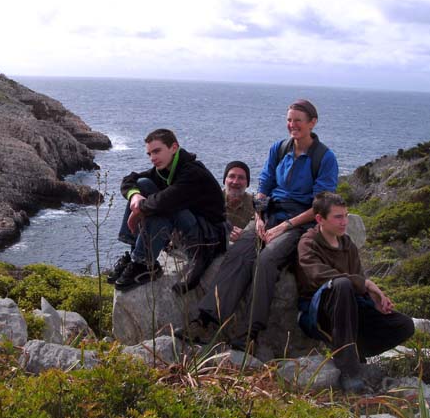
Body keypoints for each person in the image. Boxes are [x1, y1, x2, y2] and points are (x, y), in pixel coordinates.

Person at [175, 99, 338, 351]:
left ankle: (249, 333)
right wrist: (260, 218)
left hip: (297, 224)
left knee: (267, 259)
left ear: (312, 123)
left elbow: (320, 206)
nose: (292, 125)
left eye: (298, 120)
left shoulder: (324, 158)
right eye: (289, 120)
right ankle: (205, 321)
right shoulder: (279, 148)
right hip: (269, 216)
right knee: (239, 252)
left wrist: (283, 227)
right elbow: (264, 186)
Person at [296, 192, 414, 393]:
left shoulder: (347, 244)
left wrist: (375, 298)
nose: (344, 222)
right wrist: (366, 284)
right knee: (341, 284)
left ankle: (351, 349)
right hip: (318, 314)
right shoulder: (308, 243)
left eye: (346, 216)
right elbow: (320, 276)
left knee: (404, 325)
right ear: (320, 219)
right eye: (338, 217)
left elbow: (358, 280)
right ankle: (349, 372)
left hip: (351, 310)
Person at [107, 128, 227, 291]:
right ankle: (134, 252)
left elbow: (165, 201)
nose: (153, 158)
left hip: (206, 235)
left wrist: (139, 210)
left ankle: (144, 264)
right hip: (188, 222)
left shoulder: (192, 173)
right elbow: (130, 179)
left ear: (174, 148)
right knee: (142, 184)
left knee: (163, 209)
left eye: (157, 151)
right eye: (149, 154)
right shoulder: (164, 170)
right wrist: (134, 196)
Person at [223, 161, 255, 242]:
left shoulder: (255, 205)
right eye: (231, 176)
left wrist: (245, 236)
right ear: (225, 180)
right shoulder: (211, 201)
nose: (235, 182)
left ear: (247, 183)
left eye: (241, 178)